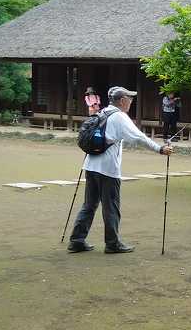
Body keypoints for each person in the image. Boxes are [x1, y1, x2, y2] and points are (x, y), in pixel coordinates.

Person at [68, 86, 174, 254]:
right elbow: (139, 137)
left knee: (89, 205)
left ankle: (76, 240)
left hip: (90, 165)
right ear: (123, 100)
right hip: (108, 170)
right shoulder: (119, 117)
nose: (131, 102)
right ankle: (112, 243)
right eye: (130, 99)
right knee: (111, 206)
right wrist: (159, 149)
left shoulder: (102, 113)